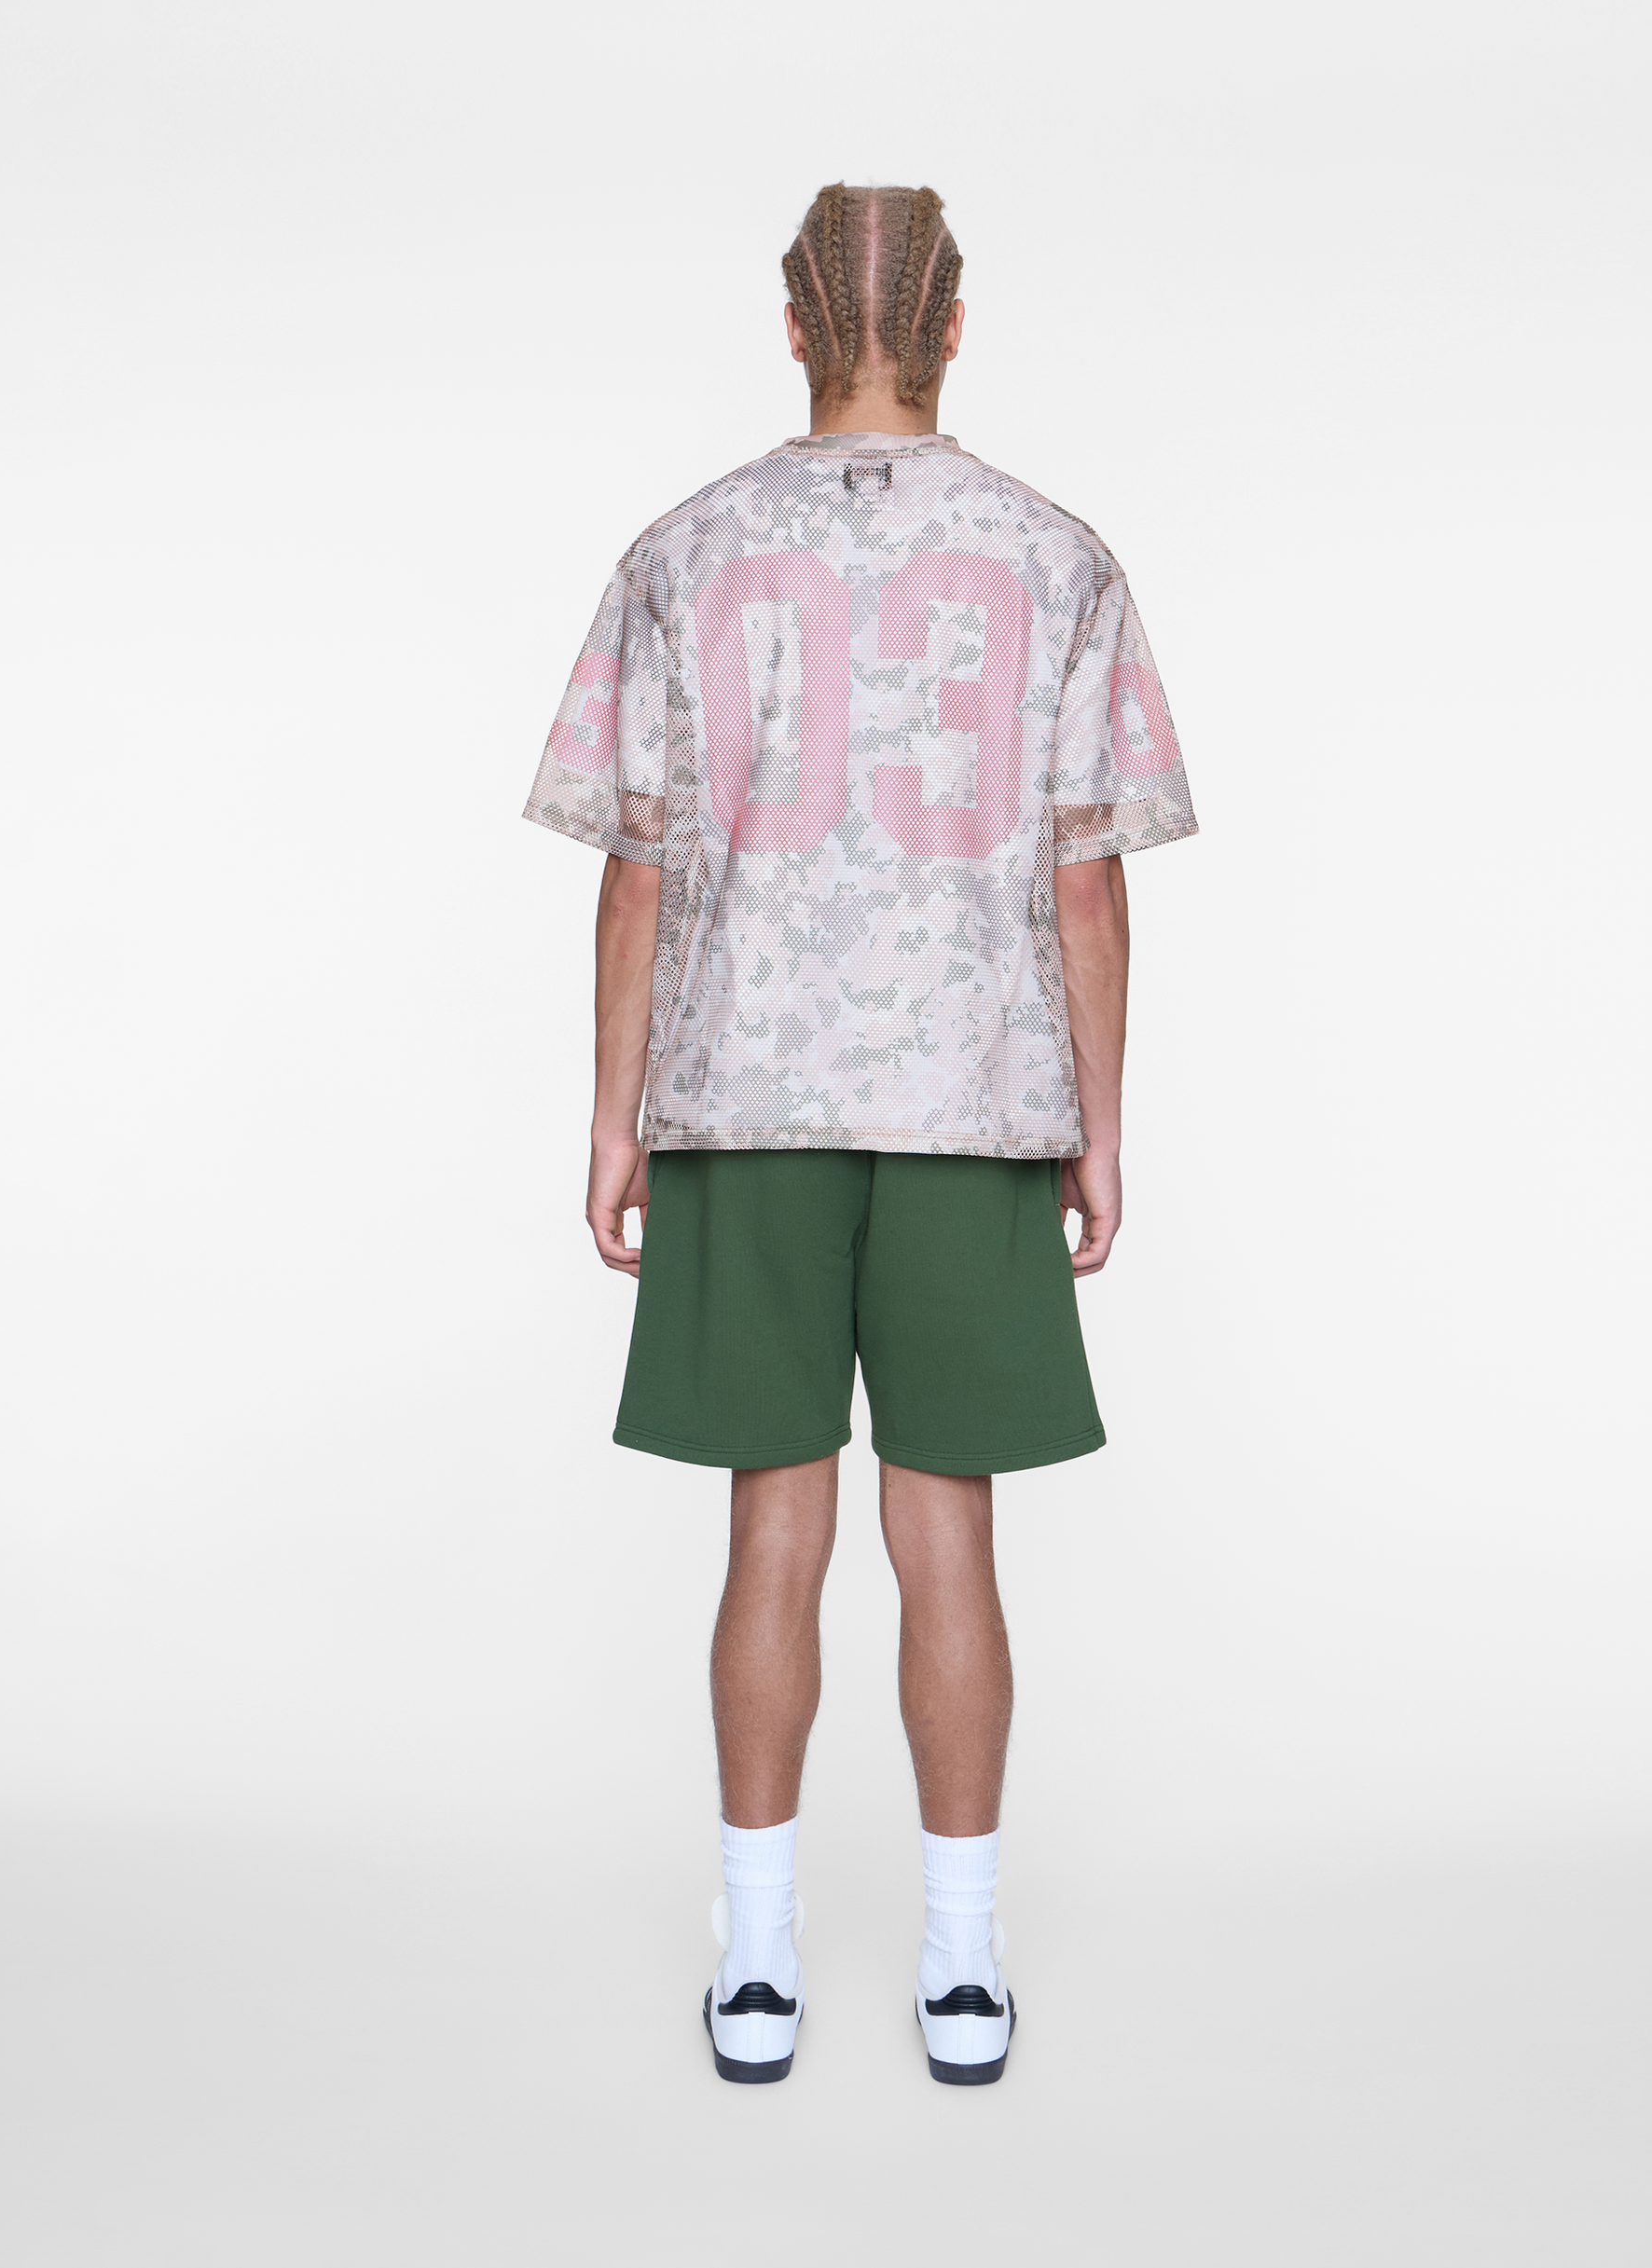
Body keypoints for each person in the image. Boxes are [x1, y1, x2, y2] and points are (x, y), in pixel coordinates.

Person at [524, 183, 1196, 2085]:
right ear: (955, 326)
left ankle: (757, 1962)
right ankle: (961, 1967)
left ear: (794, 326)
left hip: (741, 1091)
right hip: (973, 1093)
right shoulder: (1059, 557)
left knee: (772, 1526)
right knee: (947, 1533)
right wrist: (1098, 1121)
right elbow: (1086, 880)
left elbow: (638, 868)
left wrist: (612, 1116)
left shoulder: (682, 549)